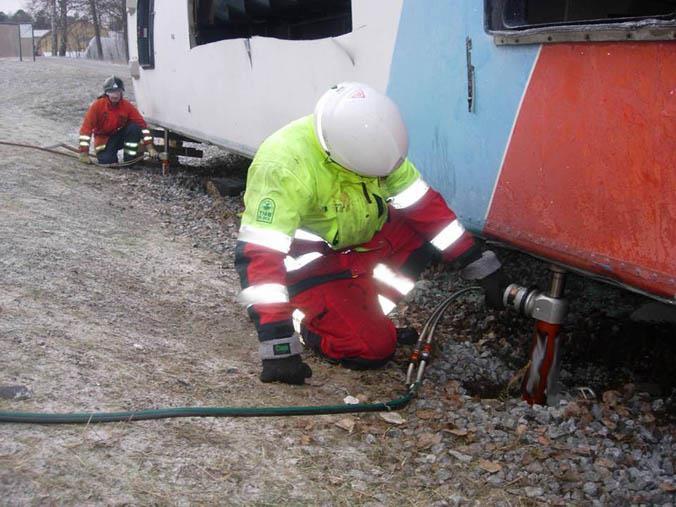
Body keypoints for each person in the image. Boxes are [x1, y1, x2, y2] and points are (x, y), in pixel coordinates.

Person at [235, 82, 506, 385]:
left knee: (423, 232)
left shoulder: (374, 145)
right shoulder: (284, 166)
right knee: (371, 349)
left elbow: (425, 207)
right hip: (308, 267)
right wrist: (278, 343)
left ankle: (363, 310)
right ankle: (306, 320)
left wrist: (476, 261)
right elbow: (259, 257)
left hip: (356, 246)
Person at [78, 76, 158, 165]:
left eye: (118, 91)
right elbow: (86, 130)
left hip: (118, 136)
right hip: (103, 140)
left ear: (121, 92)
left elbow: (143, 126)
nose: (115, 95)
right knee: (107, 161)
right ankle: (108, 155)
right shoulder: (97, 106)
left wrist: (150, 147)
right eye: (112, 92)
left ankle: (129, 160)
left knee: (134, 127)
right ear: (106, 93)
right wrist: (84, 153)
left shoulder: (127, 106)